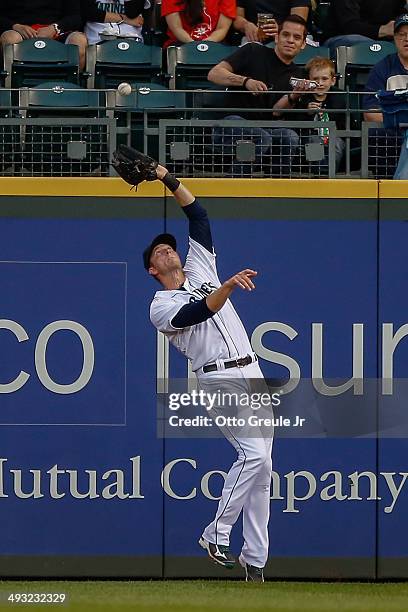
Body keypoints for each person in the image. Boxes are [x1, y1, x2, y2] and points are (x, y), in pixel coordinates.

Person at [142, 158, 273, 583]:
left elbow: (197, 214)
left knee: (263, 467)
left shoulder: (200, 267)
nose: (167, 250)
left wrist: (166, 177)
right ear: (152, 270)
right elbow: (198, 310)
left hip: (251, 369)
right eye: (159, 252)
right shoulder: (159, 306)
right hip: (218, 378)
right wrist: (229, 286)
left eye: (168, 246)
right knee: (251, 455)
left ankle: (255, 560)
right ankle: (215, 532)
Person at [207, 14, 308, 175]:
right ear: (276, 37)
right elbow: (214, 74)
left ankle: (276, 190)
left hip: (266, 128)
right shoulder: (253, 50)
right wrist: (245, 81)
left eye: (296, 37)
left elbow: (276, 111)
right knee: (261, 137)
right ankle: (234, 184)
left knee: (289, 137)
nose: (290, 40)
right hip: (231, 124)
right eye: (285, 35)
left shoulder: (299, 75)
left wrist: (293, 96)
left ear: (303, 44)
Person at [274, 55, 345, 171]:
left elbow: (346, 125)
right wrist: (307, 113)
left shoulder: (340, 98)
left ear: (333, 81)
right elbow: (293, 124)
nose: (320, 83)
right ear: (308, 80)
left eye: (324, 79)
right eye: (315, 79)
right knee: (314, 140)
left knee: (335, 142)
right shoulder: (302, 97)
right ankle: (319, 176)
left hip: (333, 138)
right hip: (306, 141)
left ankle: (329, 176)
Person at [363, 14, 408, 178]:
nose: (406, 39)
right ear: (395, 38)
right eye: (402, 35)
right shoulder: (382, 68)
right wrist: (400, 120)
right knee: (378, 134)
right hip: (393, 131)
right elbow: (370, 113)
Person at [0, 0, 86, 69]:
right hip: (19, 32)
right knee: (9, 38)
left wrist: (55, 28)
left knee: (79, 40)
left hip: (56, 32)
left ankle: (70, 87)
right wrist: (15, 26)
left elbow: (76, 18)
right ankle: (12, 88)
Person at [323, 0, 406, 54]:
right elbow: (349, 27)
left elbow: (401, 16)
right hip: (342, 38)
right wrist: (382, 30)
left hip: (384, 40)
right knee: (360, 42)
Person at [161, 0, 236, 48]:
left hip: (214, 42)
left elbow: (222, 28)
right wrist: (193, 45)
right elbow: (176, 28)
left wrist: (205, 44)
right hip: (180, 42)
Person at [232, 0, 310, 44]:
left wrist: (280, 29)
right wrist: (245, 25)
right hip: (253, 38)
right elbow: (236, 18)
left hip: (286, 38)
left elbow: (299, 20)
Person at [82, 0, 151, 45]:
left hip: (133, 42)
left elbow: (132, 12)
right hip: (97, 42)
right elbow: (87, 12)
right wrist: (125, 19)